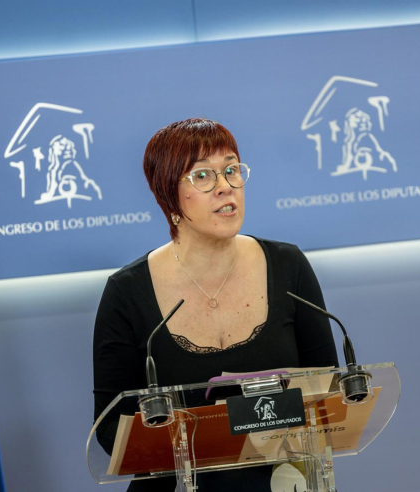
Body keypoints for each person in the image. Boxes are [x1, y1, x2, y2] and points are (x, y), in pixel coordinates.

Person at [93, 118, 339, 491]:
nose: (225, 186)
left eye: (231, 170)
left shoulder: (288, 266)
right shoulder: (127, 292)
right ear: (168, 195)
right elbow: (110, 428)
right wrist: (204, 438)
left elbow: (328, 395)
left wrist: (243, 426)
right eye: (203, 176)